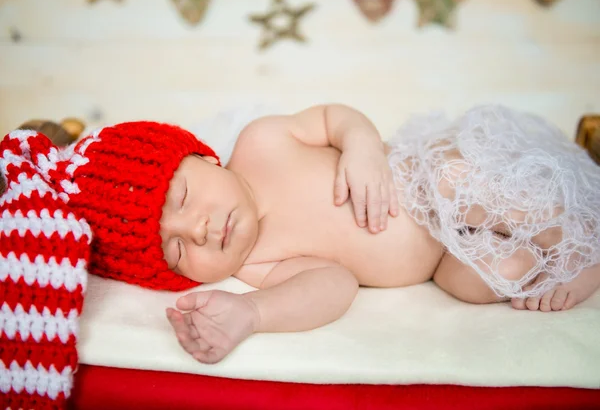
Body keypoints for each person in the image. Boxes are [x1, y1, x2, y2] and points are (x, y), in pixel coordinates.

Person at [1, 104, 598, 366]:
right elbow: (333, 284)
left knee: (456, 181)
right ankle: (554, 261)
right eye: (177, 249)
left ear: (200, 157)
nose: (200, 229)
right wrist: (253, 312)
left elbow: (336, 117)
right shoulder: (258, 266)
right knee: (476, 280)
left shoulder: (263, 142)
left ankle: (573, 230)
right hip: (440, 254)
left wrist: (361, 145)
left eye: (181, 199)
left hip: (428, 173)